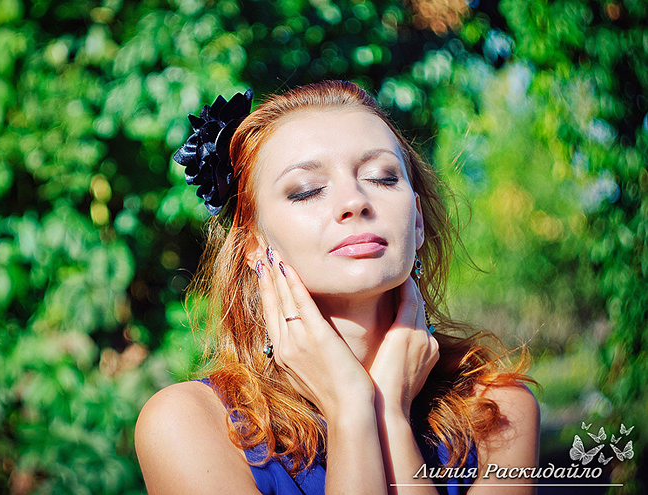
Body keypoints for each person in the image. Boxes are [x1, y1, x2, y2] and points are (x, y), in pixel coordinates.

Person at [135, 80, 540, 494]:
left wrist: (391, 414)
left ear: (417, 220)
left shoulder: (500, 412)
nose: (354, 201)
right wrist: (349, 408)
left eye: (382, 178)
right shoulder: (187, 423)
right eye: (307, 190)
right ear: (255, 245)